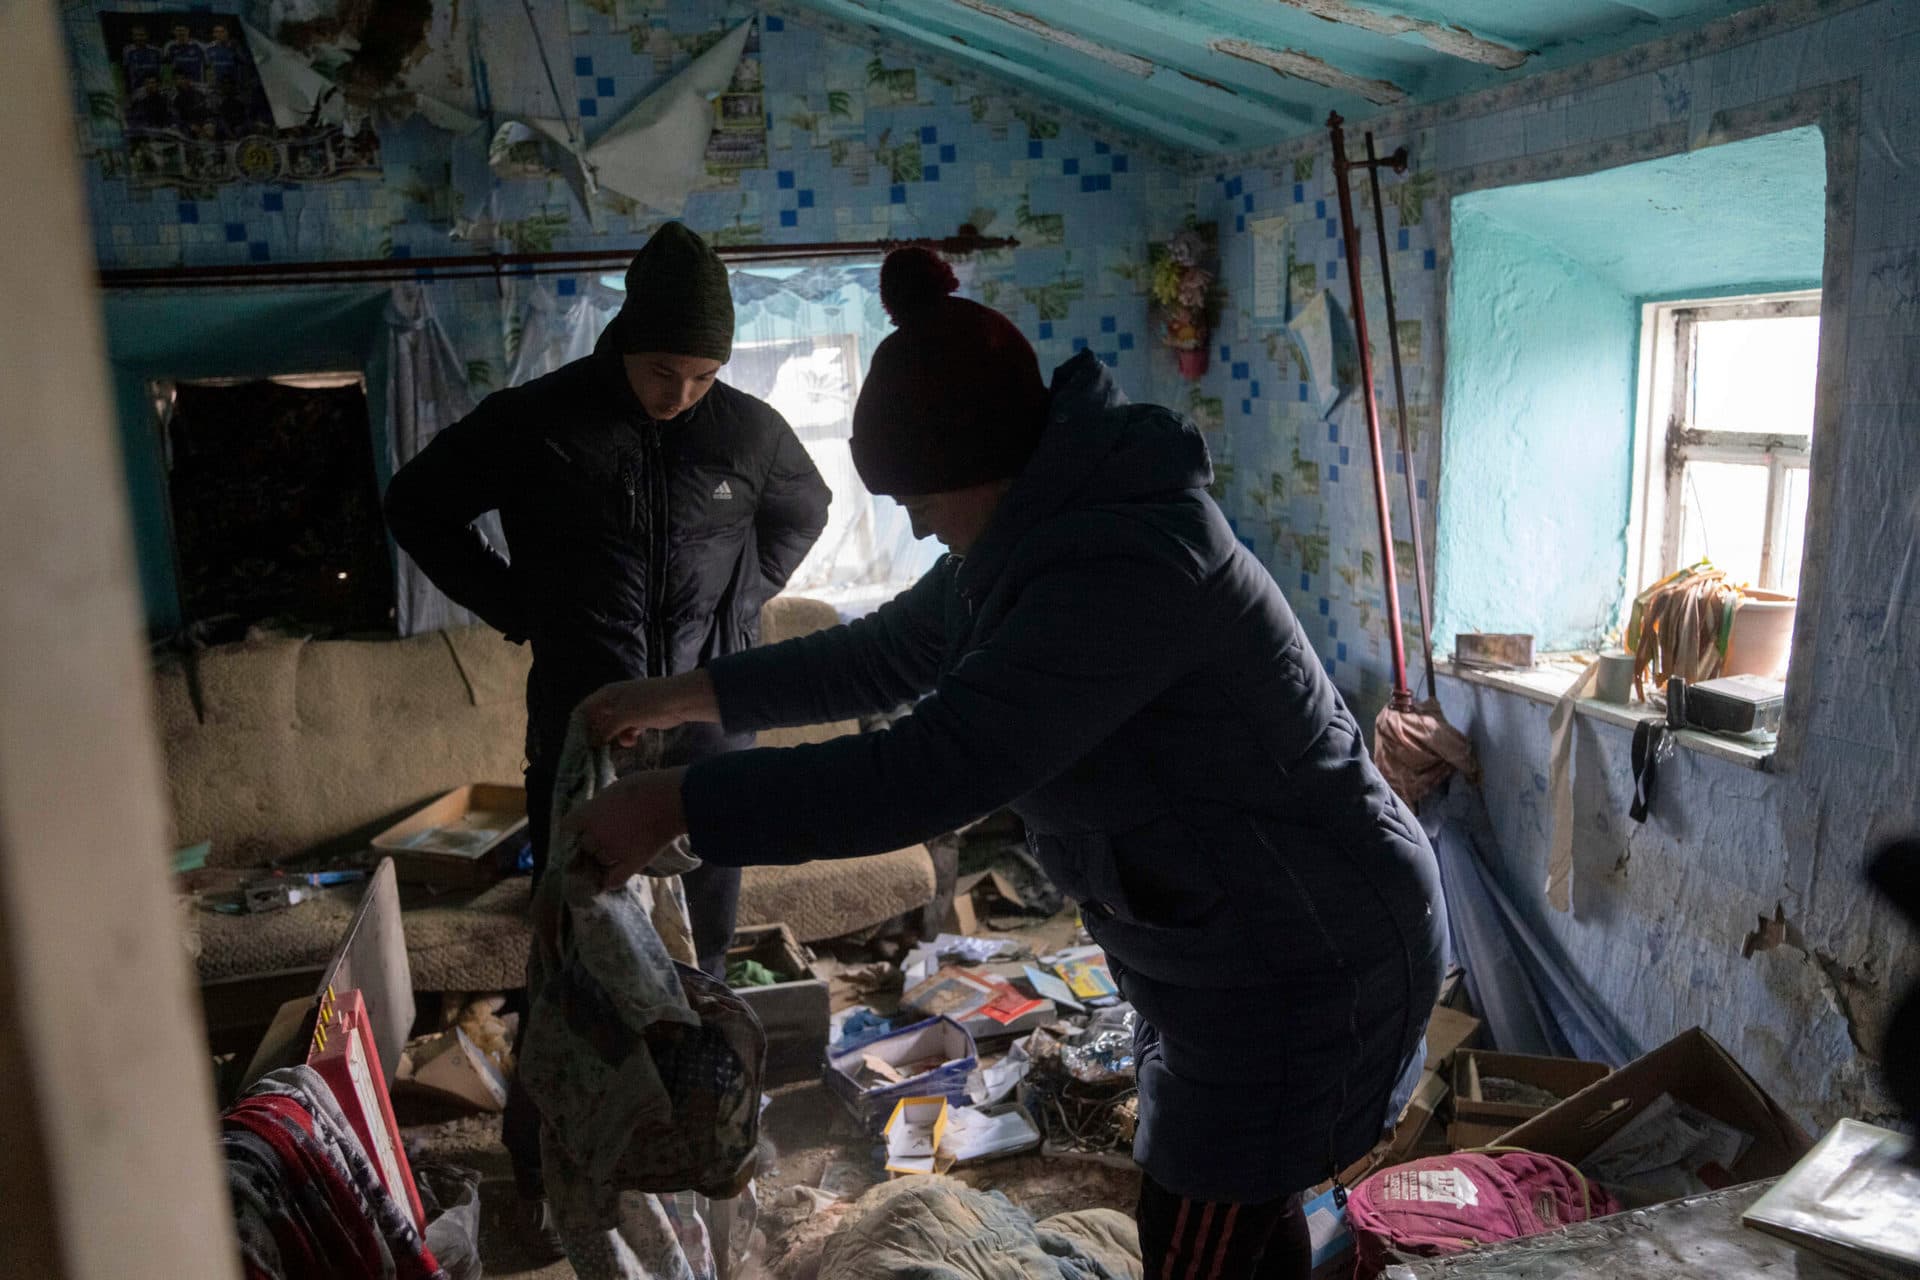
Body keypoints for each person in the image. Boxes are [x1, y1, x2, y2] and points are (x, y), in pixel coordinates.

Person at [567, 247, 1447, 1280]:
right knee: (1227, 1209)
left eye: (922, 497)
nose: (914, 522)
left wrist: (675, 802)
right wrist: (677, 696)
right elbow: (880, 655)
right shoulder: (1028, 536)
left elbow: (926, 771)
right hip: (1223, 943)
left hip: (1304, 958)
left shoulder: (1124, 565)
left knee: (1200, 1228)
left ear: (983, 466)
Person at [383, 221, 830, 1257]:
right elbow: (417, 505)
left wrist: (740, 608)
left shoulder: (749, 431)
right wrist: (519, 607)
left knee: (700, 954)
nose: (682, 393)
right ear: (624, 339)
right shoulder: (535, 422)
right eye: (665, 370)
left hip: (709, 722)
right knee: (575, 952)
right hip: (587, 728)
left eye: (704, 375)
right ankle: (547, 1169)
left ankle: (696, 1156)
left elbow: (804, 510)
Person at [162, 22, 206, 88]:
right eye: (178, 30)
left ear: (188, 31)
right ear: (174, 32)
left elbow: (208, 66)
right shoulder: (169, 46)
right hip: (177, 84)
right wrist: (167, 83)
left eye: (183, 30)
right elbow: (166, 67)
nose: (181, 33)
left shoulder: (199, 46)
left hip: (196, 84)